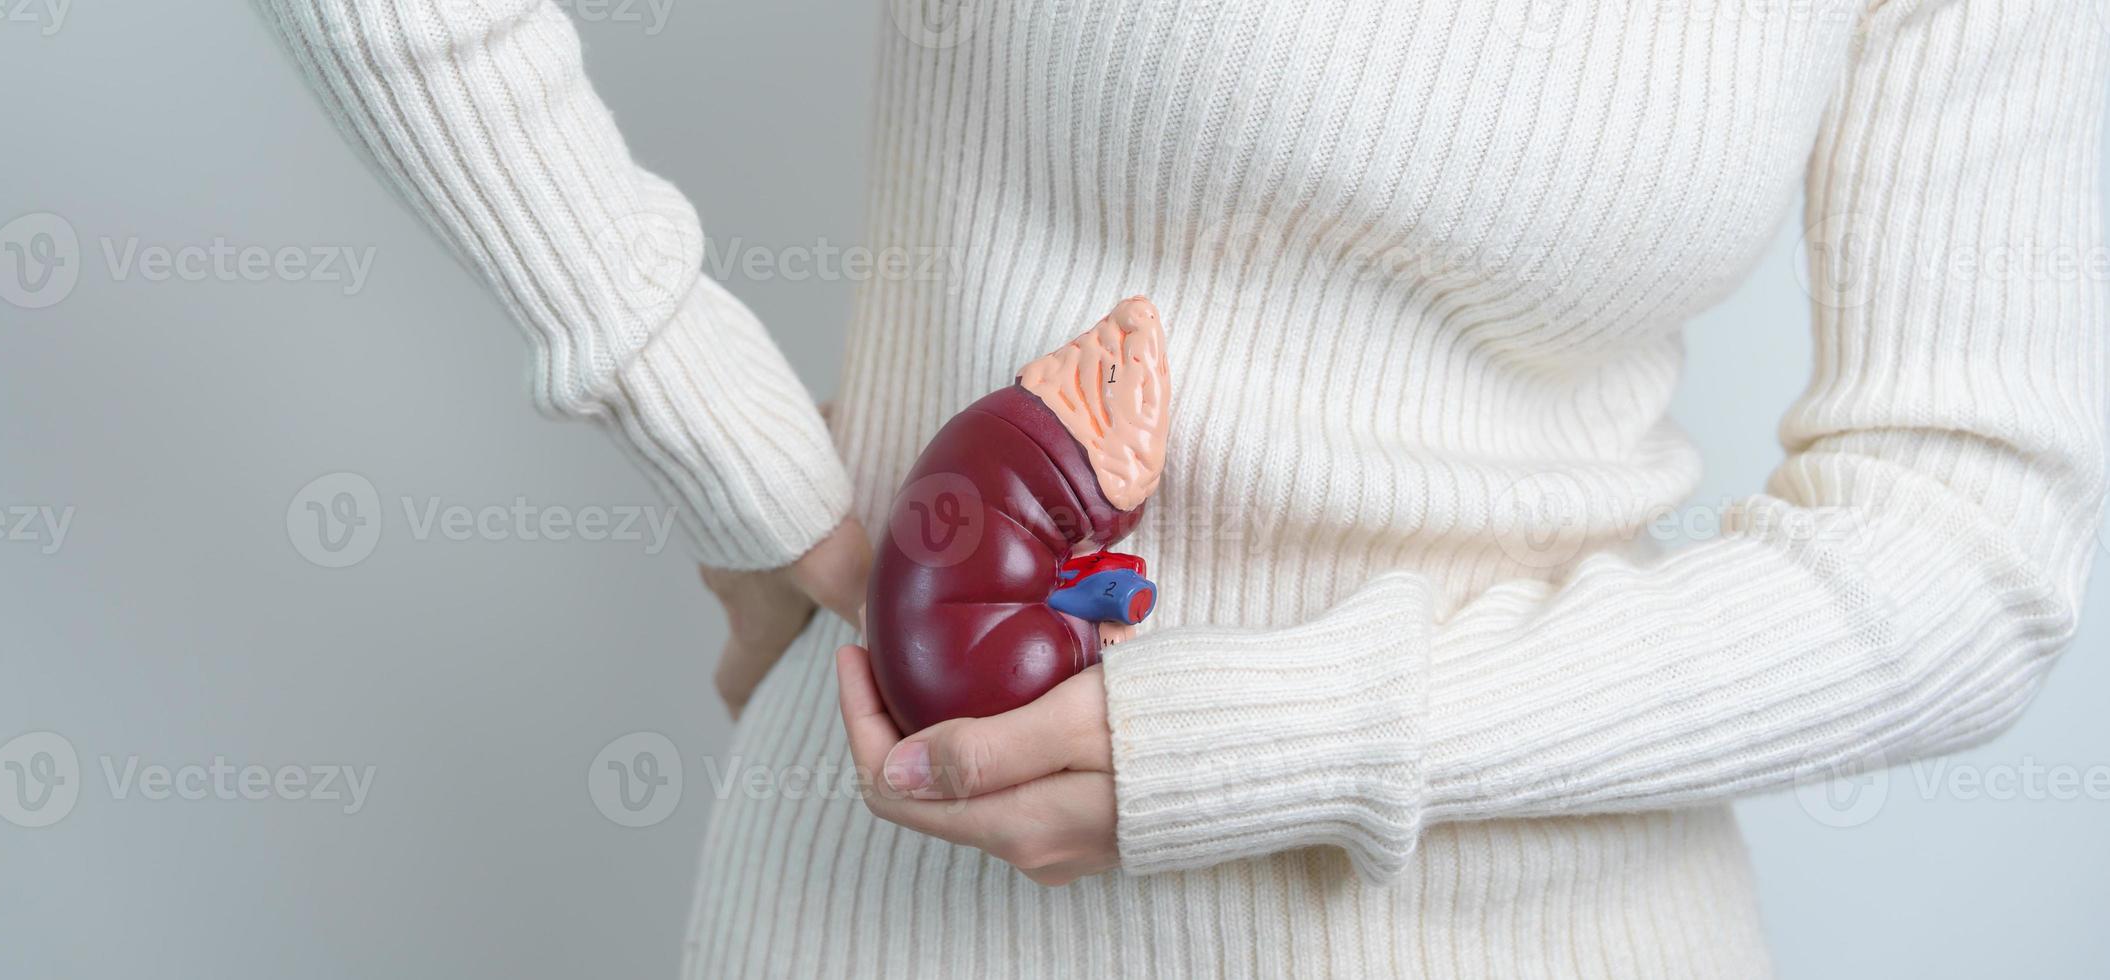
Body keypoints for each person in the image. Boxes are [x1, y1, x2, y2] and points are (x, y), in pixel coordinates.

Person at [253, 0, 2107, 975]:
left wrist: (1292, 732)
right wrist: (732, 450)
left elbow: (1967, 540)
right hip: (910, 921)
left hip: (1562, 933)